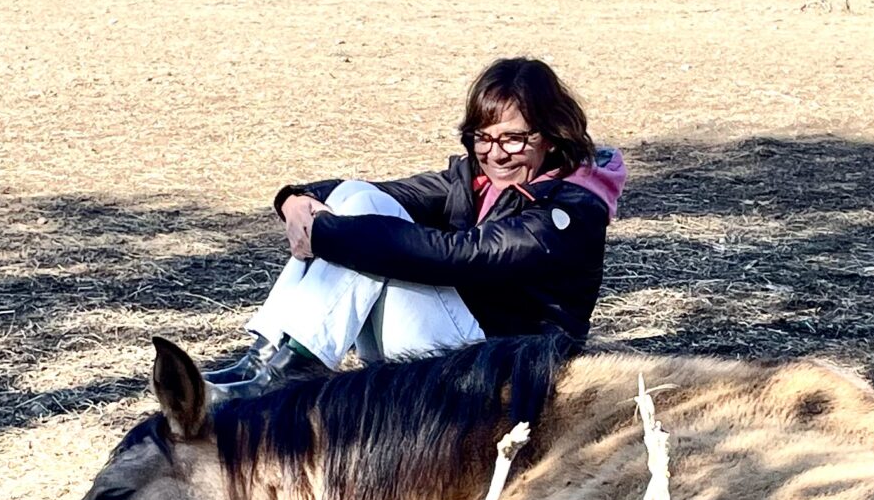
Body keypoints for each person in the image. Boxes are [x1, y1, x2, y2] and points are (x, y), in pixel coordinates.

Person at [206, 57, 627, 396]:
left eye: (513, 139)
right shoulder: (473, 180)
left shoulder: (570, 210)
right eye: (484, 138)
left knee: (365, 233)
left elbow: (459, 256)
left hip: (502, 376)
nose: (496, 154)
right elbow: (373, 194)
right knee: (357, 196)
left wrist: (325, 235)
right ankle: (264, 358)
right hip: (452, 349)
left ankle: (286, 380)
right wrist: (296, 199)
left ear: (551, 137)